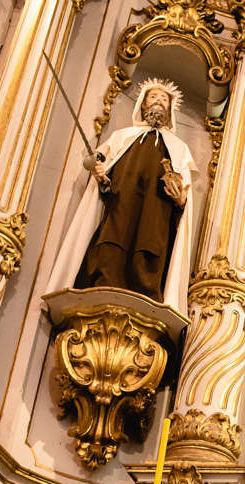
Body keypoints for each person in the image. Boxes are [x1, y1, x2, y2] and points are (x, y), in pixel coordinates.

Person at [46, 79, 195, 311]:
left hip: (156, 213)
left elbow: (184, 195)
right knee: (112, 244)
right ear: (143, 104)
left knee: (149, 249)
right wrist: (99, 173)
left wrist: (180, 200)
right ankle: (103, 286)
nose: (158, 102)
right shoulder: (122, 136)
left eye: (164, 99)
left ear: (170, 109)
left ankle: (146, 296)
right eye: (154, 97)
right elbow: (96, 163)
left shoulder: (178, 148)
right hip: (120, 204)